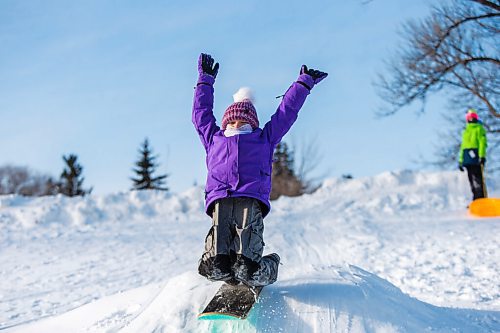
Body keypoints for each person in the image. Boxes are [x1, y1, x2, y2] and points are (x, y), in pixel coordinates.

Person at [192, 53, 327, 286]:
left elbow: (286, 114)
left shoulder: (264, 139)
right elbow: (200, 114)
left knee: (247, 266)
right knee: (214, 265)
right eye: (232, 122)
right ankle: (230, 275)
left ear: (252, 124)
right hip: (220, 202)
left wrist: (303, 85)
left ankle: (267, 267)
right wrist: (205, 81)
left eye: (243, 123)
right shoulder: (214, 139)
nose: (236, 125)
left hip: (250, 201)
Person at [458, 109, 488, 201]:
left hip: (475, 155)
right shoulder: (466, 131)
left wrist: (482, 156)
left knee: (477, 177)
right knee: (471, 178)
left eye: (472, 117)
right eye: (469, 118)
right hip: (467, 157)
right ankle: (475, 197)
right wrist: (460, 160)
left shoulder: (479, 129)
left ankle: (481, 197)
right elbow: (463, 146)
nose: (471, 119)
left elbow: (482, 143)